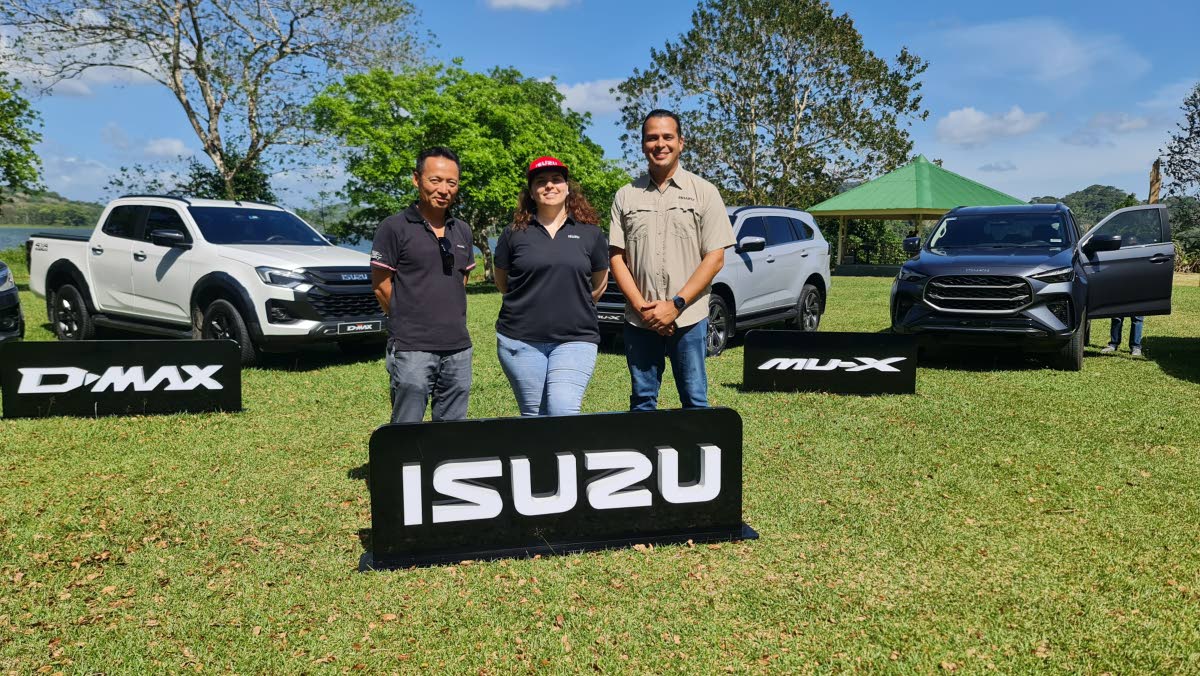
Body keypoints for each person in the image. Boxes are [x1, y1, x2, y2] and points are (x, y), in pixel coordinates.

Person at [608, 109, 735, 410]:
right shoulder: (626, 196)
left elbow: (715, 258)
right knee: (642, 401)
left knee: (694, 400)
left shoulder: (704, 192)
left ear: (681, 142)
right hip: (640, 320)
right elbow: (617, 258)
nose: (660, 144)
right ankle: (646, 457)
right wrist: (645, 309)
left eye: (667, 137)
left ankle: (696, 457)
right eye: (652, 138)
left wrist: (675, 305)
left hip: (689, 317)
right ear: (642, 144)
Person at [493, 156, 610, 416]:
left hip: (575, 339)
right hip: (520, 340)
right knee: (534, 416)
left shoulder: (590, 233)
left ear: (568, 188)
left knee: (562, 411)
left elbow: (599, 282)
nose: (549, 186)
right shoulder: (514, 232)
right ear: (532, 192)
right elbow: (503, 282)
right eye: (541, 181)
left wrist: (574, 303)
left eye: (556, 180)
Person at [370, 146, 476, 423]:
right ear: (417, 180)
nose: (443, 189)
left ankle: (443, 467)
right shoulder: (394, 227)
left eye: (451, 183)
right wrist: (411, 318)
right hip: (411, 346)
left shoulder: (462, 230)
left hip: (458, 346)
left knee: (452, 431)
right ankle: (403, 467)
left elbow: (460, 280)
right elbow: (381, 286)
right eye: (435, 180)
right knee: (407, 427)